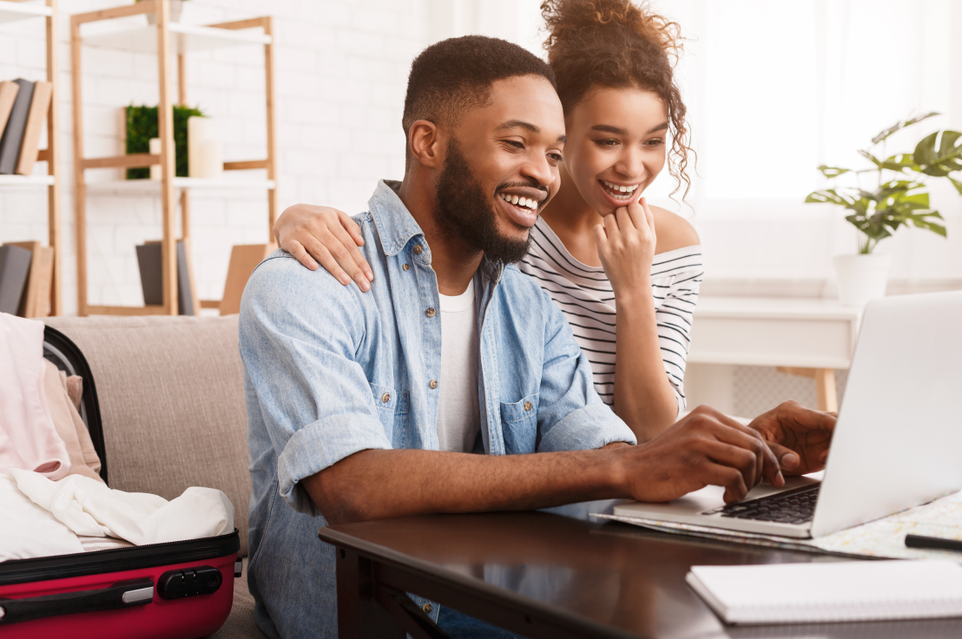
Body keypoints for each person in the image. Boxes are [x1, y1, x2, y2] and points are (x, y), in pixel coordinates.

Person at [240, 35, 834, 638]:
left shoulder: (528, 305)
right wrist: (626, 469)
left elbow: (608, 454)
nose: (542, 175)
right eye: (516, 143)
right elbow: (352, 486)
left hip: (499, 597)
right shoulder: (306, 285)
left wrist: (735, 451)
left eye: (553, 154)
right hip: (364, 616)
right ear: (428, 142)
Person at [273, 0, 701, 443]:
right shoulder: (503, 227)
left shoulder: (653, 254)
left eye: (654, 141)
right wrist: (290, 218)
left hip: (591, 478)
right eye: (607, 140)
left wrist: (633, 287)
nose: (633, 166)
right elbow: (424, 207)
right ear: (567, 128)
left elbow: (646, 438)